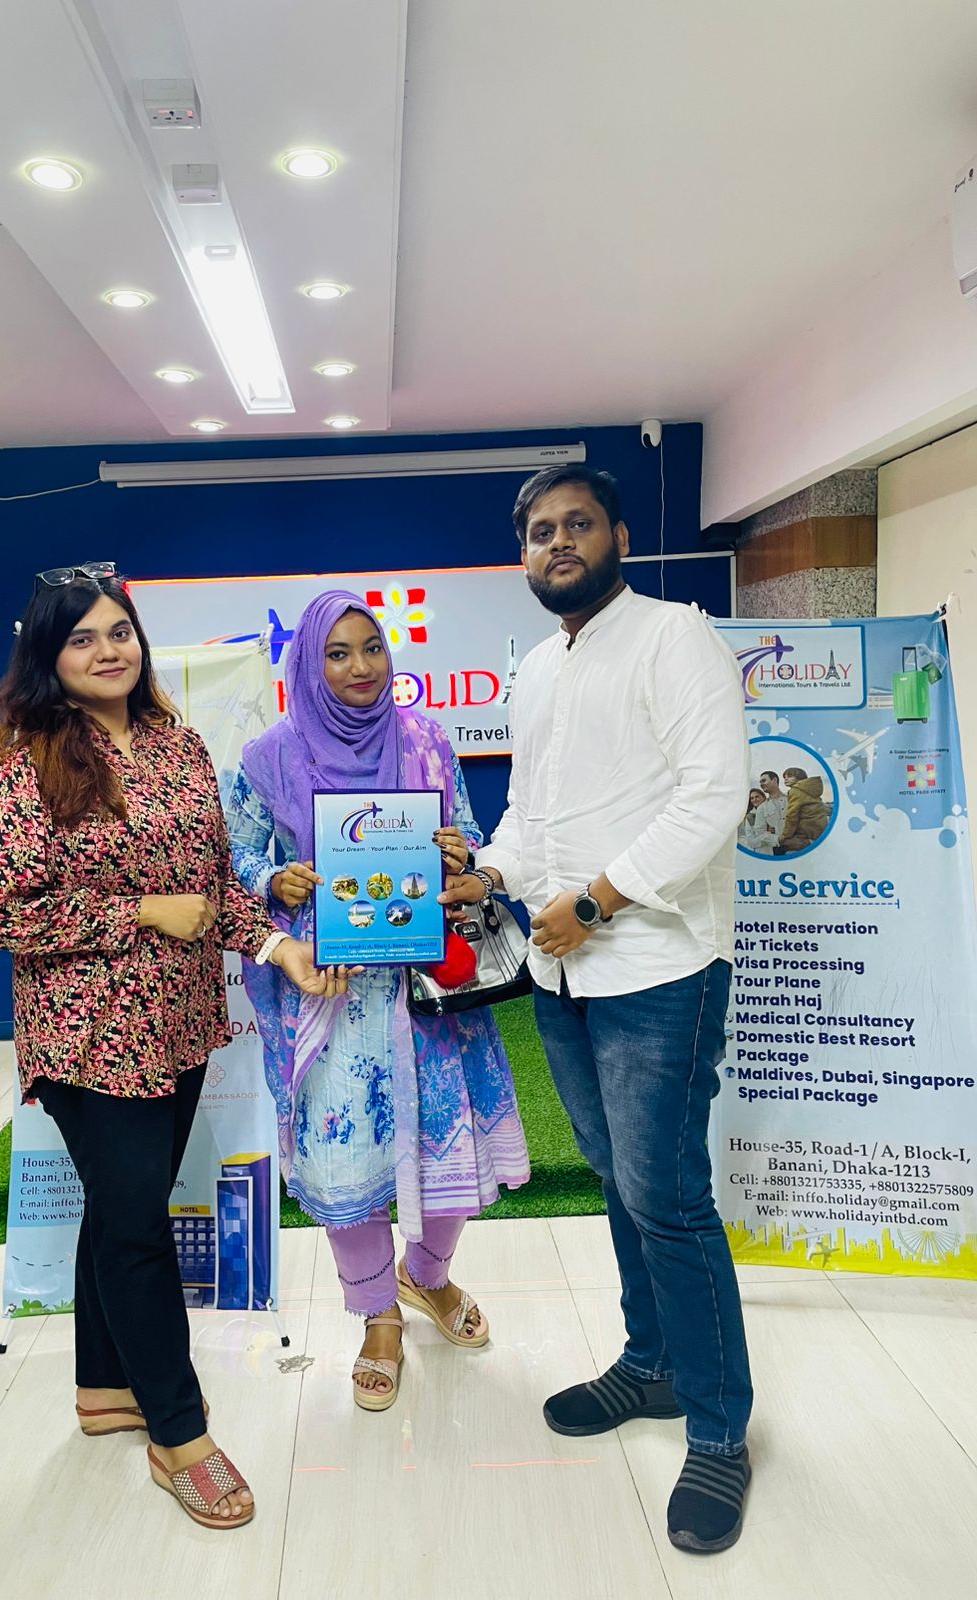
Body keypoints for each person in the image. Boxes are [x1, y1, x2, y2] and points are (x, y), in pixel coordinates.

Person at [0, 562, 348, 1532]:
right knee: (137, 1226)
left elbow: (215, 886)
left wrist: (279, 947)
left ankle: (105, 1388)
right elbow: (4, 911)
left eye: (119, 631)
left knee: (121, 1207)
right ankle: (179, 1433)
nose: (108, 650)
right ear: (48, 656)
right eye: (82, 638)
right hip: (88, 1038)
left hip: (178, 1023)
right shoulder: (22, 766)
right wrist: (137, 909)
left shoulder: (179, 746)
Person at [442, 466, 754, 1554]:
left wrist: (597, 901)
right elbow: (534, 818)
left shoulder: (676, 637)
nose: (558, 542)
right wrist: (489, 873)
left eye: (577, 524)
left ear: (618, 534)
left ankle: (719, 1431)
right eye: (539, 531)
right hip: (563, 974)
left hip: (659, 966)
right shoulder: (537, 668)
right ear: (523, 554)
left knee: (669, 1196)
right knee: (620, 1181)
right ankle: (651, 1363)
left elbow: (715, 796)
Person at [227, 590, 530, 1410]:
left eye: (372, 648)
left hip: (427, 990)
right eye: (338, 653)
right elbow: (236, 860)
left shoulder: (426, 738)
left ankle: (427, 1274)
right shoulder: (268, 757)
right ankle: (378, 1317)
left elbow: (468, 833)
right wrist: (274, 878)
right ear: (308, 664)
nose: (361, 667)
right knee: (344, 1155)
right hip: (332, 993)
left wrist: (458, 849)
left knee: (447, 1143)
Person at [774, 766, 831, 854]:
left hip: (806, 834)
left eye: (789, 776)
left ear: (799, 778)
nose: (785, 779)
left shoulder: (795, 791)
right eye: (784, 777)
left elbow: (791, 816)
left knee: (779, 846)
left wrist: (785, 835)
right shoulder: (810, 790)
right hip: (819, 830)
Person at [753, 769, 787, 854]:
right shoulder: (762, 808)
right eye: (760, 782)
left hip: (800, 848)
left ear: (774, 780)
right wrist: (779, 840)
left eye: (764, 780)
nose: (761, 784)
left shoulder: (791, 800)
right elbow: (760, 832)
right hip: (777, 850)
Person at [738, 787, 769, 851]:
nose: (754, 800)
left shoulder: (772, 810)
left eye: (757, 797)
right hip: (761, 851)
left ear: (763, 797)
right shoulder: (750, 817)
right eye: (752, 798)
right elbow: (751, 842)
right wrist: (767, 834)